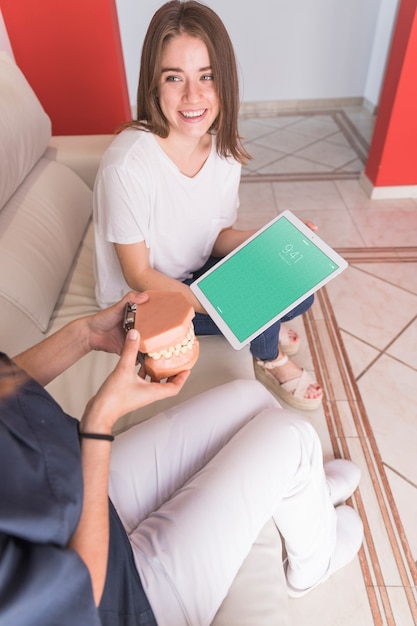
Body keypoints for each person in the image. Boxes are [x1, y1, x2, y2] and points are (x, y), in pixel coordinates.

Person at [0, 291, 363, 626]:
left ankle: (305, 493)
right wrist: (99, 423)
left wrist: (85, 335)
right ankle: (314, 565)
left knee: (251, 397)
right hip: (119, 597)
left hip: (68, 487)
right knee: (293, 437)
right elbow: (77, 589)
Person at [93, 0, 323, 411]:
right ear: (153, 85)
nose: (193, 95)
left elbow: (214, 235)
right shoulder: (126, 166)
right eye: (174, 78)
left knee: (299, 289)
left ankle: (261, 324)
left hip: (192, 275)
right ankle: (268, 353)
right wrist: (224, 301)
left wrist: (269, 242)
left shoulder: (222, 151)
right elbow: (139, 275)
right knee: (262, 300)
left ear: (224, 81)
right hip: (142, 303)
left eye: (207, 76)